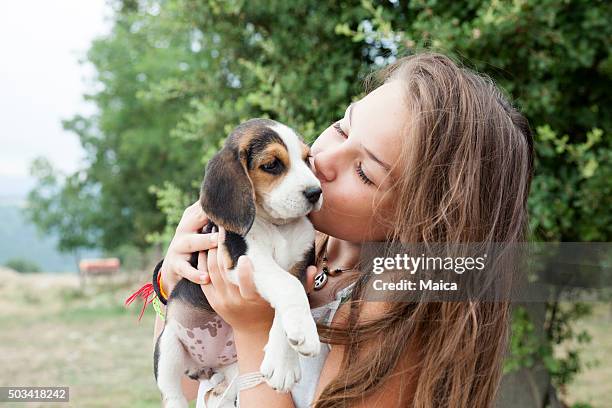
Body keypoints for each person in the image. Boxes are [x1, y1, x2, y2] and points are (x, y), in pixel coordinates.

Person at [152, 51, 534, 408]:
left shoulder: (387, 308)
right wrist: (171, 282)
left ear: (423, 221)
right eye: (341, 128)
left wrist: (254, 331)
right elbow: (190, 383)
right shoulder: (289, 238)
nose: (320, 163)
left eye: (365, 173)